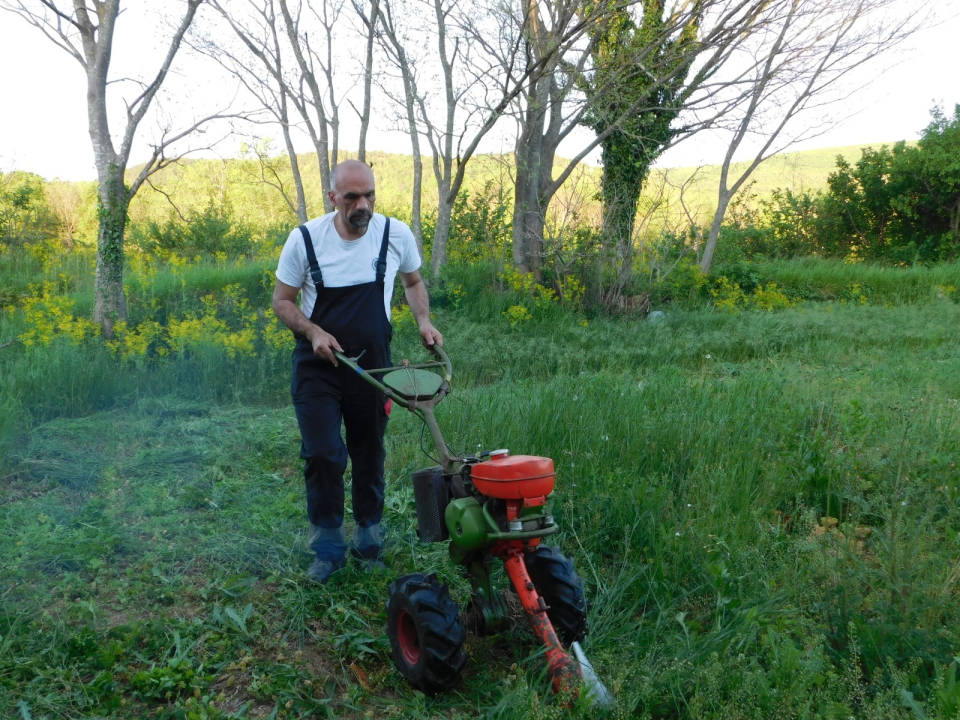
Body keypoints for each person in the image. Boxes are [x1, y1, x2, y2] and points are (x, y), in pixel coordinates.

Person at [272, 160, 442, 584]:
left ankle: (369, 543)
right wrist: (313, 331)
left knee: (370, 454)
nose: (362, 205)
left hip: (373, 367)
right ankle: (328, 550)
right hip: (318, 368)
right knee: (323, 454)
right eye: (352, 198)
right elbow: (282, 301)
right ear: (333, 197)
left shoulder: (394, 234)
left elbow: (413, 282)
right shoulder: (305, 239)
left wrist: (423, 321)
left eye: (369, 196)